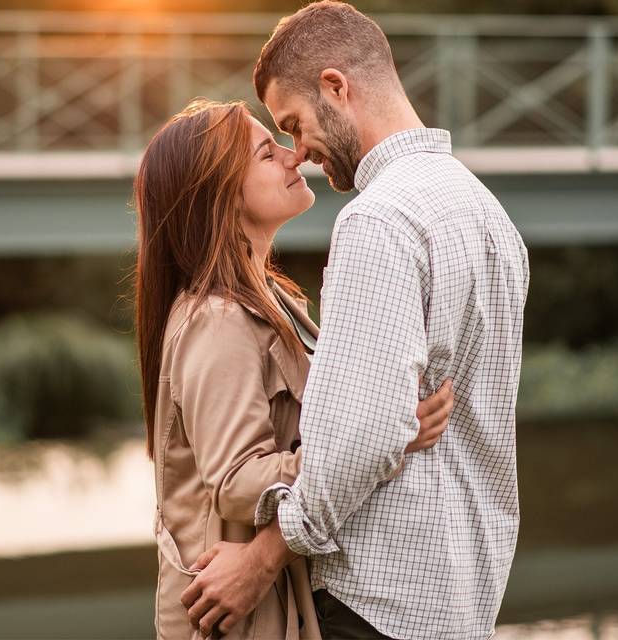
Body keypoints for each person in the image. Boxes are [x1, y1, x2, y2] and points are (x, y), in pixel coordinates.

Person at [180, 2, 530, 639]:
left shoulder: (377, 222)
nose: (299, 152)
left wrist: (260, 559)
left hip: (380, 605)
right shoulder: (488, 214)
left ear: (336, 87)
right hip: (467, 595)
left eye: (293, 123)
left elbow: (361, 434)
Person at [132, 97, 455, 640]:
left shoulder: (274, 300)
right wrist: (382, 439)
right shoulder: (218, 318)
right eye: (267, 153)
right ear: (221, 198)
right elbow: (238, 481)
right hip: (231, 621)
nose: (294, 156)